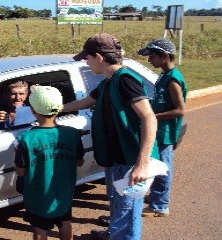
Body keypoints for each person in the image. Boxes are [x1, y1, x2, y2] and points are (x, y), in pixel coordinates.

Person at [63, 33, 159, 240]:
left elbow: (149, 118)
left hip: (130, 160)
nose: (86, 63)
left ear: (98, 57)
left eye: (86, 58)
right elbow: (85, 102)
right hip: (118, 157)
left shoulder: (125, 80)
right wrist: (53, 109)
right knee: (123, 206)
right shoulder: (108, 81)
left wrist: (141, 164)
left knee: (125, 208)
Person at [14, 86, 84, 240]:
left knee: (40, 228)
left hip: (38, 194)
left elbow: (21, 170)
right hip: (64, 192)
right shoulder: (72, 133)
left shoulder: (27, 138)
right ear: (59, 109)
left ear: (32, 111)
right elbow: (79, 161)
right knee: (65, 222)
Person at [137, 39, 187, 217]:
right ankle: (157, 197)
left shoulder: (173, 79)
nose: (149, 60)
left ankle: (160, 205)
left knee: (162, 168)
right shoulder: (165, 75)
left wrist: (151, 117)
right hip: (158, 130)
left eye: (152, 56)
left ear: (164, 56)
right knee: (156, 165)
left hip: (165, 132)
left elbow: (180, 110)